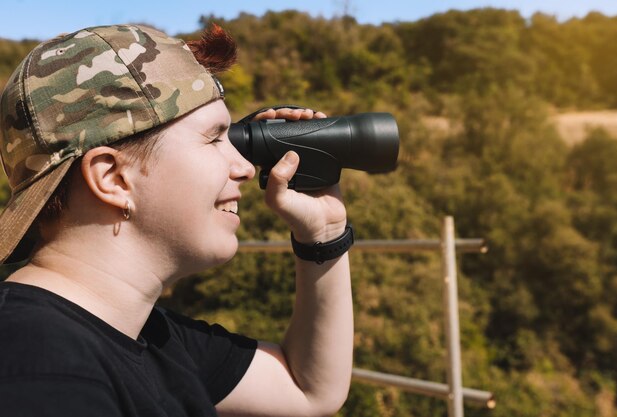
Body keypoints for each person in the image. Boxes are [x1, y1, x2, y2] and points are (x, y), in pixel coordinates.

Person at [0, 23, 354, 416]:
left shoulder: (147, 335)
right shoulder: (40, 369)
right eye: (215, 138)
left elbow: (308, 389)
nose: (244, 168)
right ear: (113, 179)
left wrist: (324, 235)